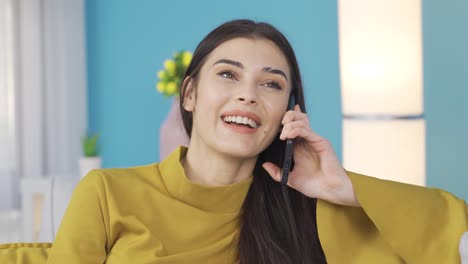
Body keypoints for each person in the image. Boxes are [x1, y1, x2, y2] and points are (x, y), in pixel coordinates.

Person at [47, 20, 468, 264]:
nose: (248, 94)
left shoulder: (313, 212)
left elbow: (454, 242)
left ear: (290, 111)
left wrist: (345, 189)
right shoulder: (106, 193)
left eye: (271, 83)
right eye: (228, 74)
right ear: (190, 94)